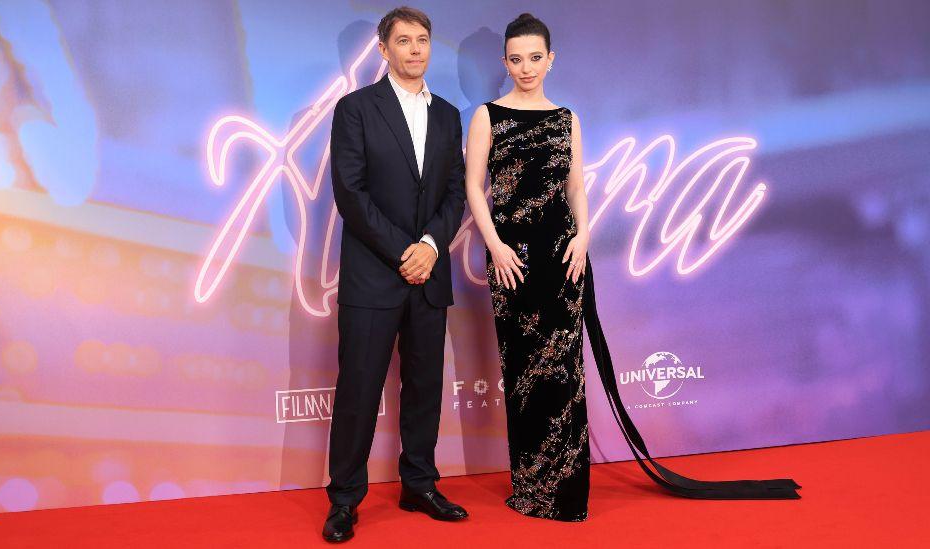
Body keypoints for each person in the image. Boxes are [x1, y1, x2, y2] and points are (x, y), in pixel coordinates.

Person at [463, 13, 802, 522]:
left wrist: (583, 238)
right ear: (504, 62)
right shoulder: (488, 116)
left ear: (551, 59)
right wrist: (495, 246)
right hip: (512, 260)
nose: (526, 67)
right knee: (523, 373)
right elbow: (474, 187)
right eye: (516, 58)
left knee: (565, 373)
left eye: (535, 57)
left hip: (562, 256)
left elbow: (576, 187)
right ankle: (531, 487)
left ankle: (567, 494)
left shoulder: (566, 118)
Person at [324, 5, 469, 543]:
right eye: (403, 41)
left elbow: (455, 193)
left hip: (429, 274)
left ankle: (420, 484)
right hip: (373, 277)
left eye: (423, 40)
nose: (415, 49)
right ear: (383, 50)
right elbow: (351, 194)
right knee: (359, 390)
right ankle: (344, 500)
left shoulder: (450, 115)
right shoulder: (355, 110)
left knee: (425, 387)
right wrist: (404, 251)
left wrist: (430, 245)